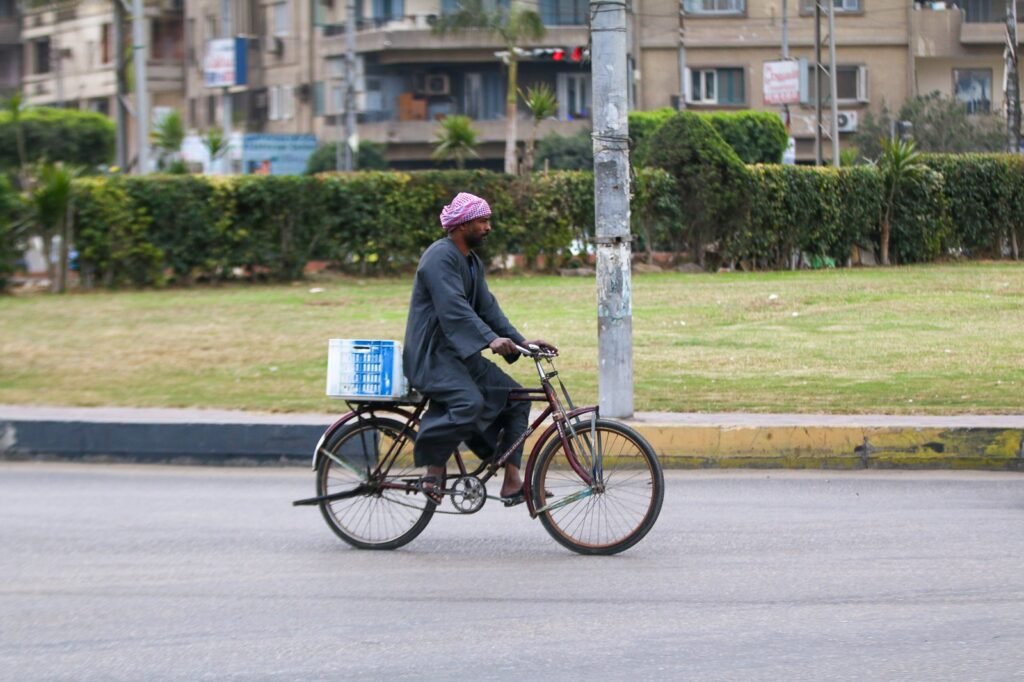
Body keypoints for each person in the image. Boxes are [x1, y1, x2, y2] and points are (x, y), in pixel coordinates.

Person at [403, 192, 556, 505]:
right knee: (468, 401)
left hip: (459, 355)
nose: (488, 227)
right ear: (461, 225)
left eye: (488, 221)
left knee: (517, 399)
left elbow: (488, 309)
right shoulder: (439, 257)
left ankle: (513, 481)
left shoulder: (471, 262)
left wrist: (521, 342)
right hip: (432, 355)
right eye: (482, 221)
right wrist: (489, 339)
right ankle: (434, 467)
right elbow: (454, 308)